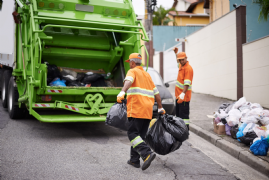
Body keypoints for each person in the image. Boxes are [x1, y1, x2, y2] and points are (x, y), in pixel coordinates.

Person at [117, 53, 165, 171]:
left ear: (133, 63)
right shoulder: (147, 75)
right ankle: (134, 161)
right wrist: (160, 107)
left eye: (130, 63)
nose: (129, 65)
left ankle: (147, 153)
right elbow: (157, 93)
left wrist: (122, 92)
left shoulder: (133, 71)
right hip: (148, 111)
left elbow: (128, 81)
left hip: (137, 109)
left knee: (132, 134)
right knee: (139, 136)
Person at [173, 48, 193, 131]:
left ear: (186, 58)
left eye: (182, 60)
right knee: (178, 115)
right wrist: (176, 53)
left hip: (184, 98)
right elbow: (178, 63)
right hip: (178, 96)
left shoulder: (188, 69)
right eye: (180, 60)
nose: (181, 61)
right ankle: (179, 131)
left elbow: (187, 83)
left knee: (184, 116)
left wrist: (182, 94)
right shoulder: (182, 65)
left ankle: (185, 131)